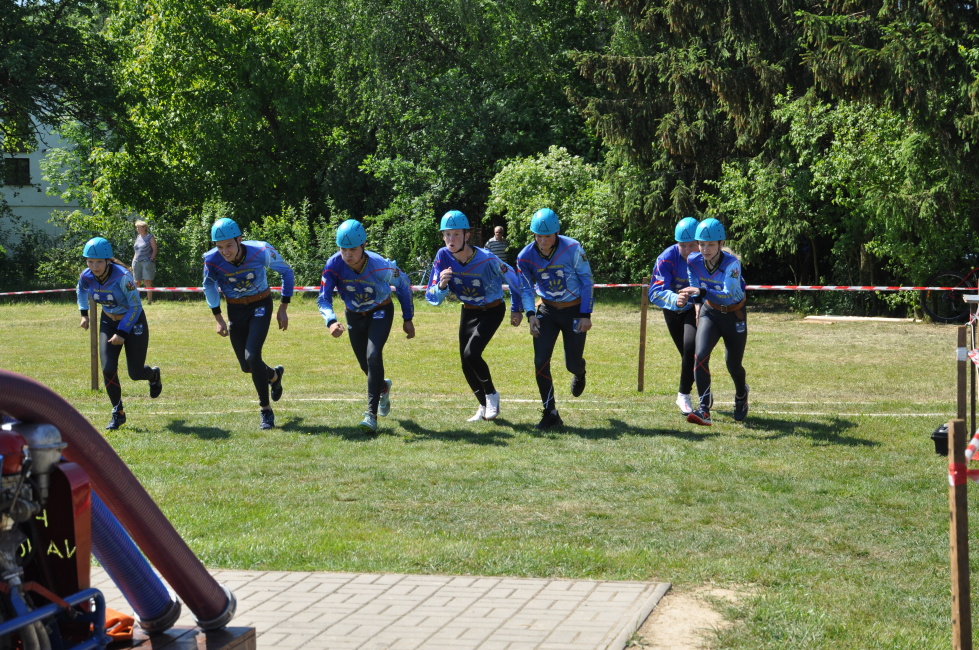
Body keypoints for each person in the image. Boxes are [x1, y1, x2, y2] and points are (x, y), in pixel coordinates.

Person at [318, 219, 416, 434]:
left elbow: (404, 285)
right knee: (366, 365)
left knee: (373, 355)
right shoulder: (333, 265)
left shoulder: (381, 266)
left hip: (380, 310)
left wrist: (407, 318)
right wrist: (331, 321)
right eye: (343, 249)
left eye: (353, 249)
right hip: (353, 315)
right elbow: (323, 298)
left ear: (363, 245)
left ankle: (371, 415)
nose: (348, 254)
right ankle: (383, 387)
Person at [425, 210, 525, 422]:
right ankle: (483, 405)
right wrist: (441, 285)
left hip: (492, 310)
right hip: (468, 310)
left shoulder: (487, 258)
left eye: (456, 234)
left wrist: (517, 308)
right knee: (465, 363)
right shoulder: (442, 256)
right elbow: (431, 297)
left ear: (467, 236)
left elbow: (514, 279)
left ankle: (492, 395)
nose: (451, 239)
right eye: (447, 234)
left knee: (472, 354)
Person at [202, 218, 293, 430]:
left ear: (239, 240)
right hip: (235, 309)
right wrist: (218, 318)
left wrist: (283, 307)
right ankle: (274, 375)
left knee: (252, 356)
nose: (225, 252)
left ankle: (265, 410)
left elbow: (286, 272)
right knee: (246, 366)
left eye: (229, 245)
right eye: (220, 247)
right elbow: (209, 286)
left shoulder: (261, 251)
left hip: (260, 304)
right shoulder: (211, 260)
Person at [515, 208, 593, 431]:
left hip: (574, 311)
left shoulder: (573, 248)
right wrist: (530, 314)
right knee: (540, 361)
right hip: (546, 311)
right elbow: (526, 288)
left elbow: (587, 280)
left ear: (557, 232)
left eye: (547, 236)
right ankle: (550, 413)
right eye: (538, 236)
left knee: (572, 364)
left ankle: (580, 370)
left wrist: (585, 314)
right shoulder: (525, 256)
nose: (542, 241)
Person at [76, 237, 163, 430]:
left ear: (108, 260)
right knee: (108, 369)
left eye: (99, 262)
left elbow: (135, 306)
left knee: (135, 373)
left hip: (133, 321)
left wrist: (122, 332)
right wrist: (84, 314)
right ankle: (118, 412)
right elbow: (81, 290)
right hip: (108, 321)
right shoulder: (86, 276)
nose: (94, 266)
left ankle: (154, 375)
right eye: (90, 261)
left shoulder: (123, 277)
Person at [679, 218, 748, 426]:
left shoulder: (732, 264)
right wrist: (696, 303)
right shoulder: (693, 260)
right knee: (699, 356)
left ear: (721, 243)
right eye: (701, 244)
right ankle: (704, 409)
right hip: (710, 312)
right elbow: (694, 282)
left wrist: (701, 291)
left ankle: (741, 394)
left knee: (733, 365)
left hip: (734, 314)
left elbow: (728, 296)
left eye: (710, 244)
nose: (705, 249)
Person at [648, 217, 703, 415]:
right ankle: (704, 389)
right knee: (688, 355)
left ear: (699, 242)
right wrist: (675, 299)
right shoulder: (666, 258)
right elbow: (655, 292)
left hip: (695, 308)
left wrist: (697, 301)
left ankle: (683, 395)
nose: (687, 250)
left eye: (692, 245)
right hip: (672, 308)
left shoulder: (706, 256)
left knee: (691, 347)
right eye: (683, 246)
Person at [131, 220, 158, 304]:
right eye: (137, 227)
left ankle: (149, 301)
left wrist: (151, 259)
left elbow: (154, 249)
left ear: (144, 228)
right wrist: (133, 260)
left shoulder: (150, 237)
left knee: (147, 281)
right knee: (136, 282)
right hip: (137, 262)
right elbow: (136, 250)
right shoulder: (138, 237)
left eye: (139, 227)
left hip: (147, 262)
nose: (137, 229)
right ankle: (137, 301)